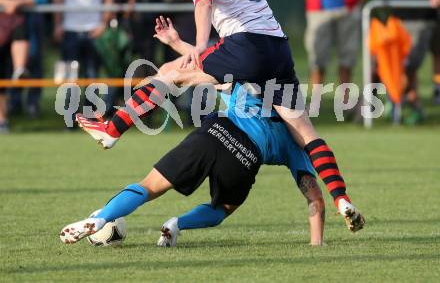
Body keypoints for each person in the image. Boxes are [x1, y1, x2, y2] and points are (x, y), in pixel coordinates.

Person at [77, 0, 361, 220]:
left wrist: (199, 44)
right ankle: (341, 198)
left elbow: (203, 3)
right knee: (305, 131)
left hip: (246, 44)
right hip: (278, 48)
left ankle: (113, 128)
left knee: (170, 73)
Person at [63, 82, 364, 247]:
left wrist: (176, 44)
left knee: (150, 186)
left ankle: (101, 219)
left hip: (212, 134)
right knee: (222, 209)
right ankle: (177, 224)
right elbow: (314, 197)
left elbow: (205, 69)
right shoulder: (296, 136)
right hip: (245, 159)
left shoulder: (250, 83)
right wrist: (317, 243)